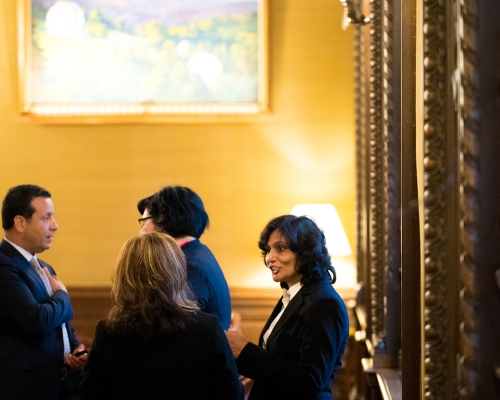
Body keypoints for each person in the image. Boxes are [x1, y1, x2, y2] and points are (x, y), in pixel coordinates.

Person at [80, 232, 244, 400]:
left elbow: (90, 394)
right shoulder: (208, 330)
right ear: (178, 273)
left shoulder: (107, 332)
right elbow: (231, 394)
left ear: (124, 277)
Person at [225, 215, 349, 400]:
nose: (269, 259)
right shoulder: (295, 293)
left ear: (306, 252)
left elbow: (309, 381)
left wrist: (246, 350)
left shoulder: (324, 303)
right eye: (268, 250)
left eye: (280, 249)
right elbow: (280, 359)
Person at [0, 184, 87, 400]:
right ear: (20, 222)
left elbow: (60, 323)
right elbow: (35, 321)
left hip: (57, 385)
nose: (55, 226)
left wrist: (75, 350)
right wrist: (62, 296)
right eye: (46, 218)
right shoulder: (4, 265)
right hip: (24, 389)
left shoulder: (45, 267)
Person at [137, 185, 232, 329]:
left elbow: (178, 331)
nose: (142, 233)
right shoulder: (197, 253)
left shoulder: (188, 265)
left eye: (144, 223)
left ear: (161, 218)